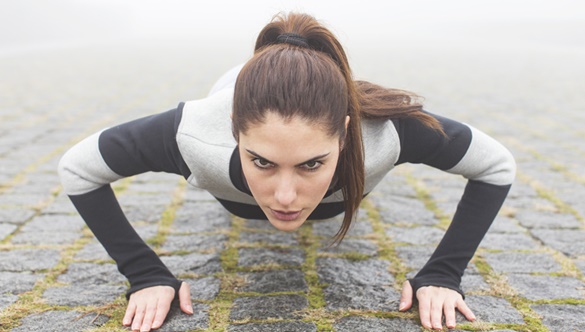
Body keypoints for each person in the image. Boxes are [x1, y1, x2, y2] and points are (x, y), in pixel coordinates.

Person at [58, 12, 515, 331]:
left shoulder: (385, 134)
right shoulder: (194, 133)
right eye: (262, 162)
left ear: (345, 134)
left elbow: (496, 165)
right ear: (235, 133)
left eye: (312, 164)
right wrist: (146, 275)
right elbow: (78, 169)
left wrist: (442, 275)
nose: (285, 197)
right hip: (237, 88)